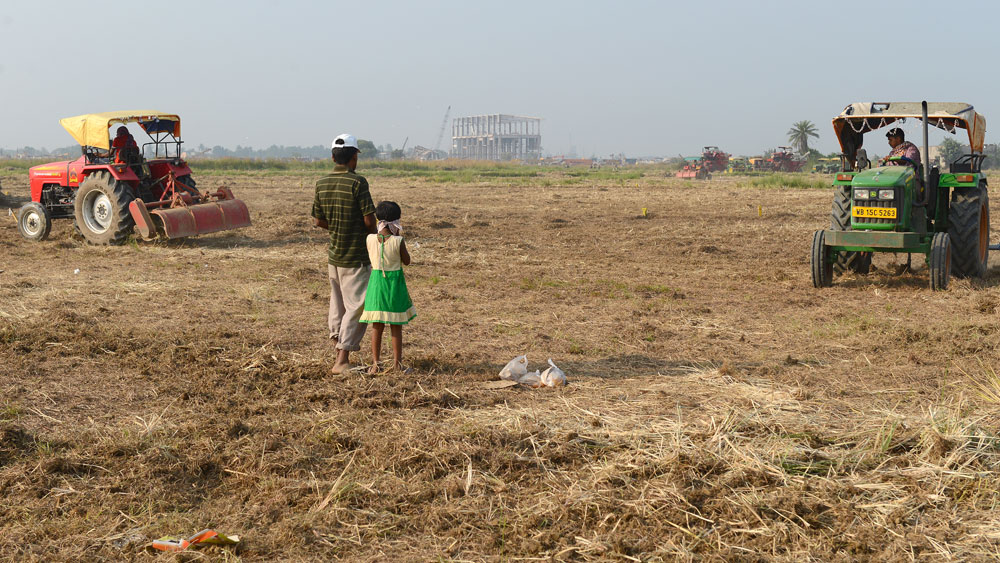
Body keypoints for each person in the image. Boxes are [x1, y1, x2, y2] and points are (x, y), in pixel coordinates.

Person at [312, 134, 377, 374]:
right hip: (356, 255)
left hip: (334, 255)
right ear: (353, 157)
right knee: (357, 305)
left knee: (337, 303)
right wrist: (374, 237)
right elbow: (369, 220)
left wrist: (339, 227)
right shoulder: (358, 182)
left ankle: (337, 346)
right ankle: (342, 360)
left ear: (332, 157)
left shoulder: (321, 183)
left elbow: (319, 221)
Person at [359, 201, 416, 374]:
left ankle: (376, 363)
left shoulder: (369, 238)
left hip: (376, 285)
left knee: (377, 326)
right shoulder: (398, 240)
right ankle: (397, 364)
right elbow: (407, 261)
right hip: (394, 286)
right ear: (396, 220)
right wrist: (398, 237)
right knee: (396, 325)